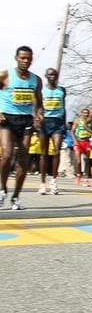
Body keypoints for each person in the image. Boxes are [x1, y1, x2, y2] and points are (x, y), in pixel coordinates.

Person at [0, 45, 43, 210]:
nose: (26, 61)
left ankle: (16, 196)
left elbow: (39, 103)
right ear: (16, 58)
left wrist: (39, 114)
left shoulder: (36, 80)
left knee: (23, 161)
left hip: (25, 120)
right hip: (7, 119)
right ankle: (3, 189)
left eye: (29, 59)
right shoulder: (5, 75)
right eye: (23, 58)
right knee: (7, 155)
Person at [38, 67, 66, 195]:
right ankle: (43, 183)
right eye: (50, 75)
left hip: (57, 123)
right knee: (43, 154)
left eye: (54, 74)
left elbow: (63, 107)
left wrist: (64, 123)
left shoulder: (62, 91)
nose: (52, 76)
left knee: (56, 151)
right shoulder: (41, 91)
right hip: (45, 122)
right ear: (46, 76)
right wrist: (38, 118)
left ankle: (53, 181)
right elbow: (37, 106)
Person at [71, 108, 92, 186]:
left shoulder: (91, 122)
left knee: (87, 161)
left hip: (87, 142)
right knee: (78, 161)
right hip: (78, 141)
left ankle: (87, 178)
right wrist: (74, 141)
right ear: (81, 113)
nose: (86, 114)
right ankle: (78, 175)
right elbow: (72, 131)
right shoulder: (77, 120)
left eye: (87, 113)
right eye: (84, 113)